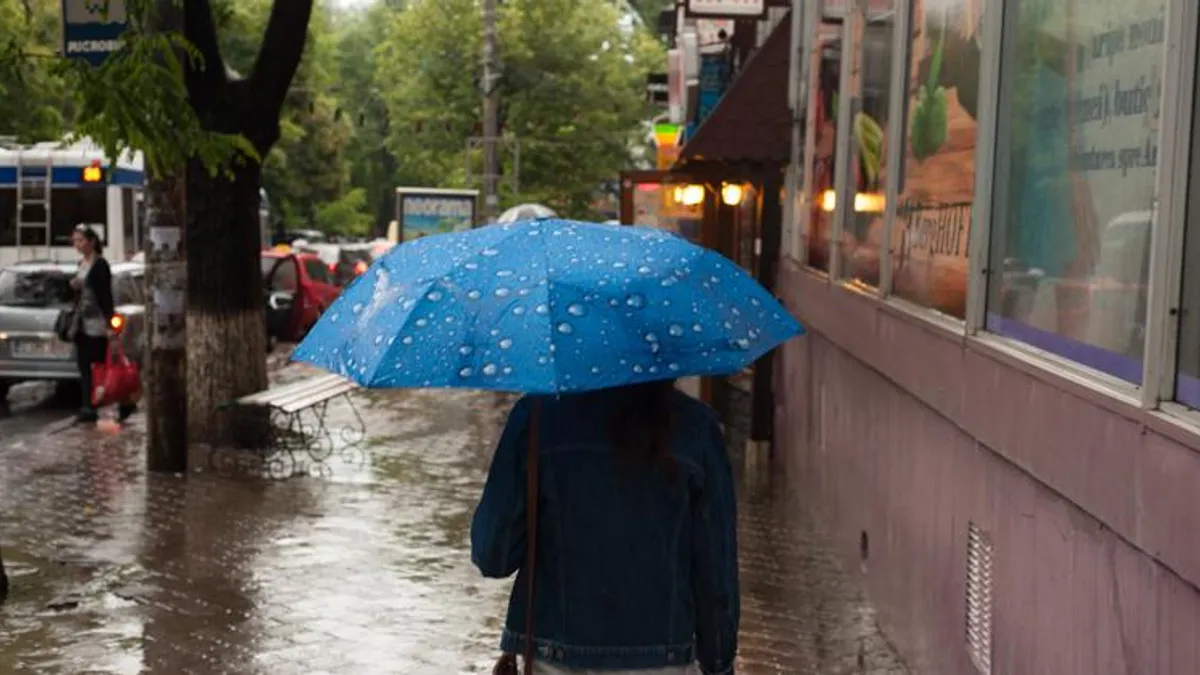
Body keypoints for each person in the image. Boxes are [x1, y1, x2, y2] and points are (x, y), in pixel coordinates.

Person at [471, 380, 740, 675]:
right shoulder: (697, 427)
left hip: (554, 655)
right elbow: (716, 573)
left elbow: (493, 555)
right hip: (663, 657)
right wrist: (718, 663)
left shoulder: (535, 417)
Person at [69, 225, 135, 424]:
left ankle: (122, 401)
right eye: (75, 240)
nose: (77, 244)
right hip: (82, 323)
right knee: (84, 365)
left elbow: (105, 297)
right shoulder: (82, 263)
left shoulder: (100, 265)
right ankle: (88, 406)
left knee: (105, 365)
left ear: (92, 242)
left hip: (98, 324)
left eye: (80, 240)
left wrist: (110, 326)